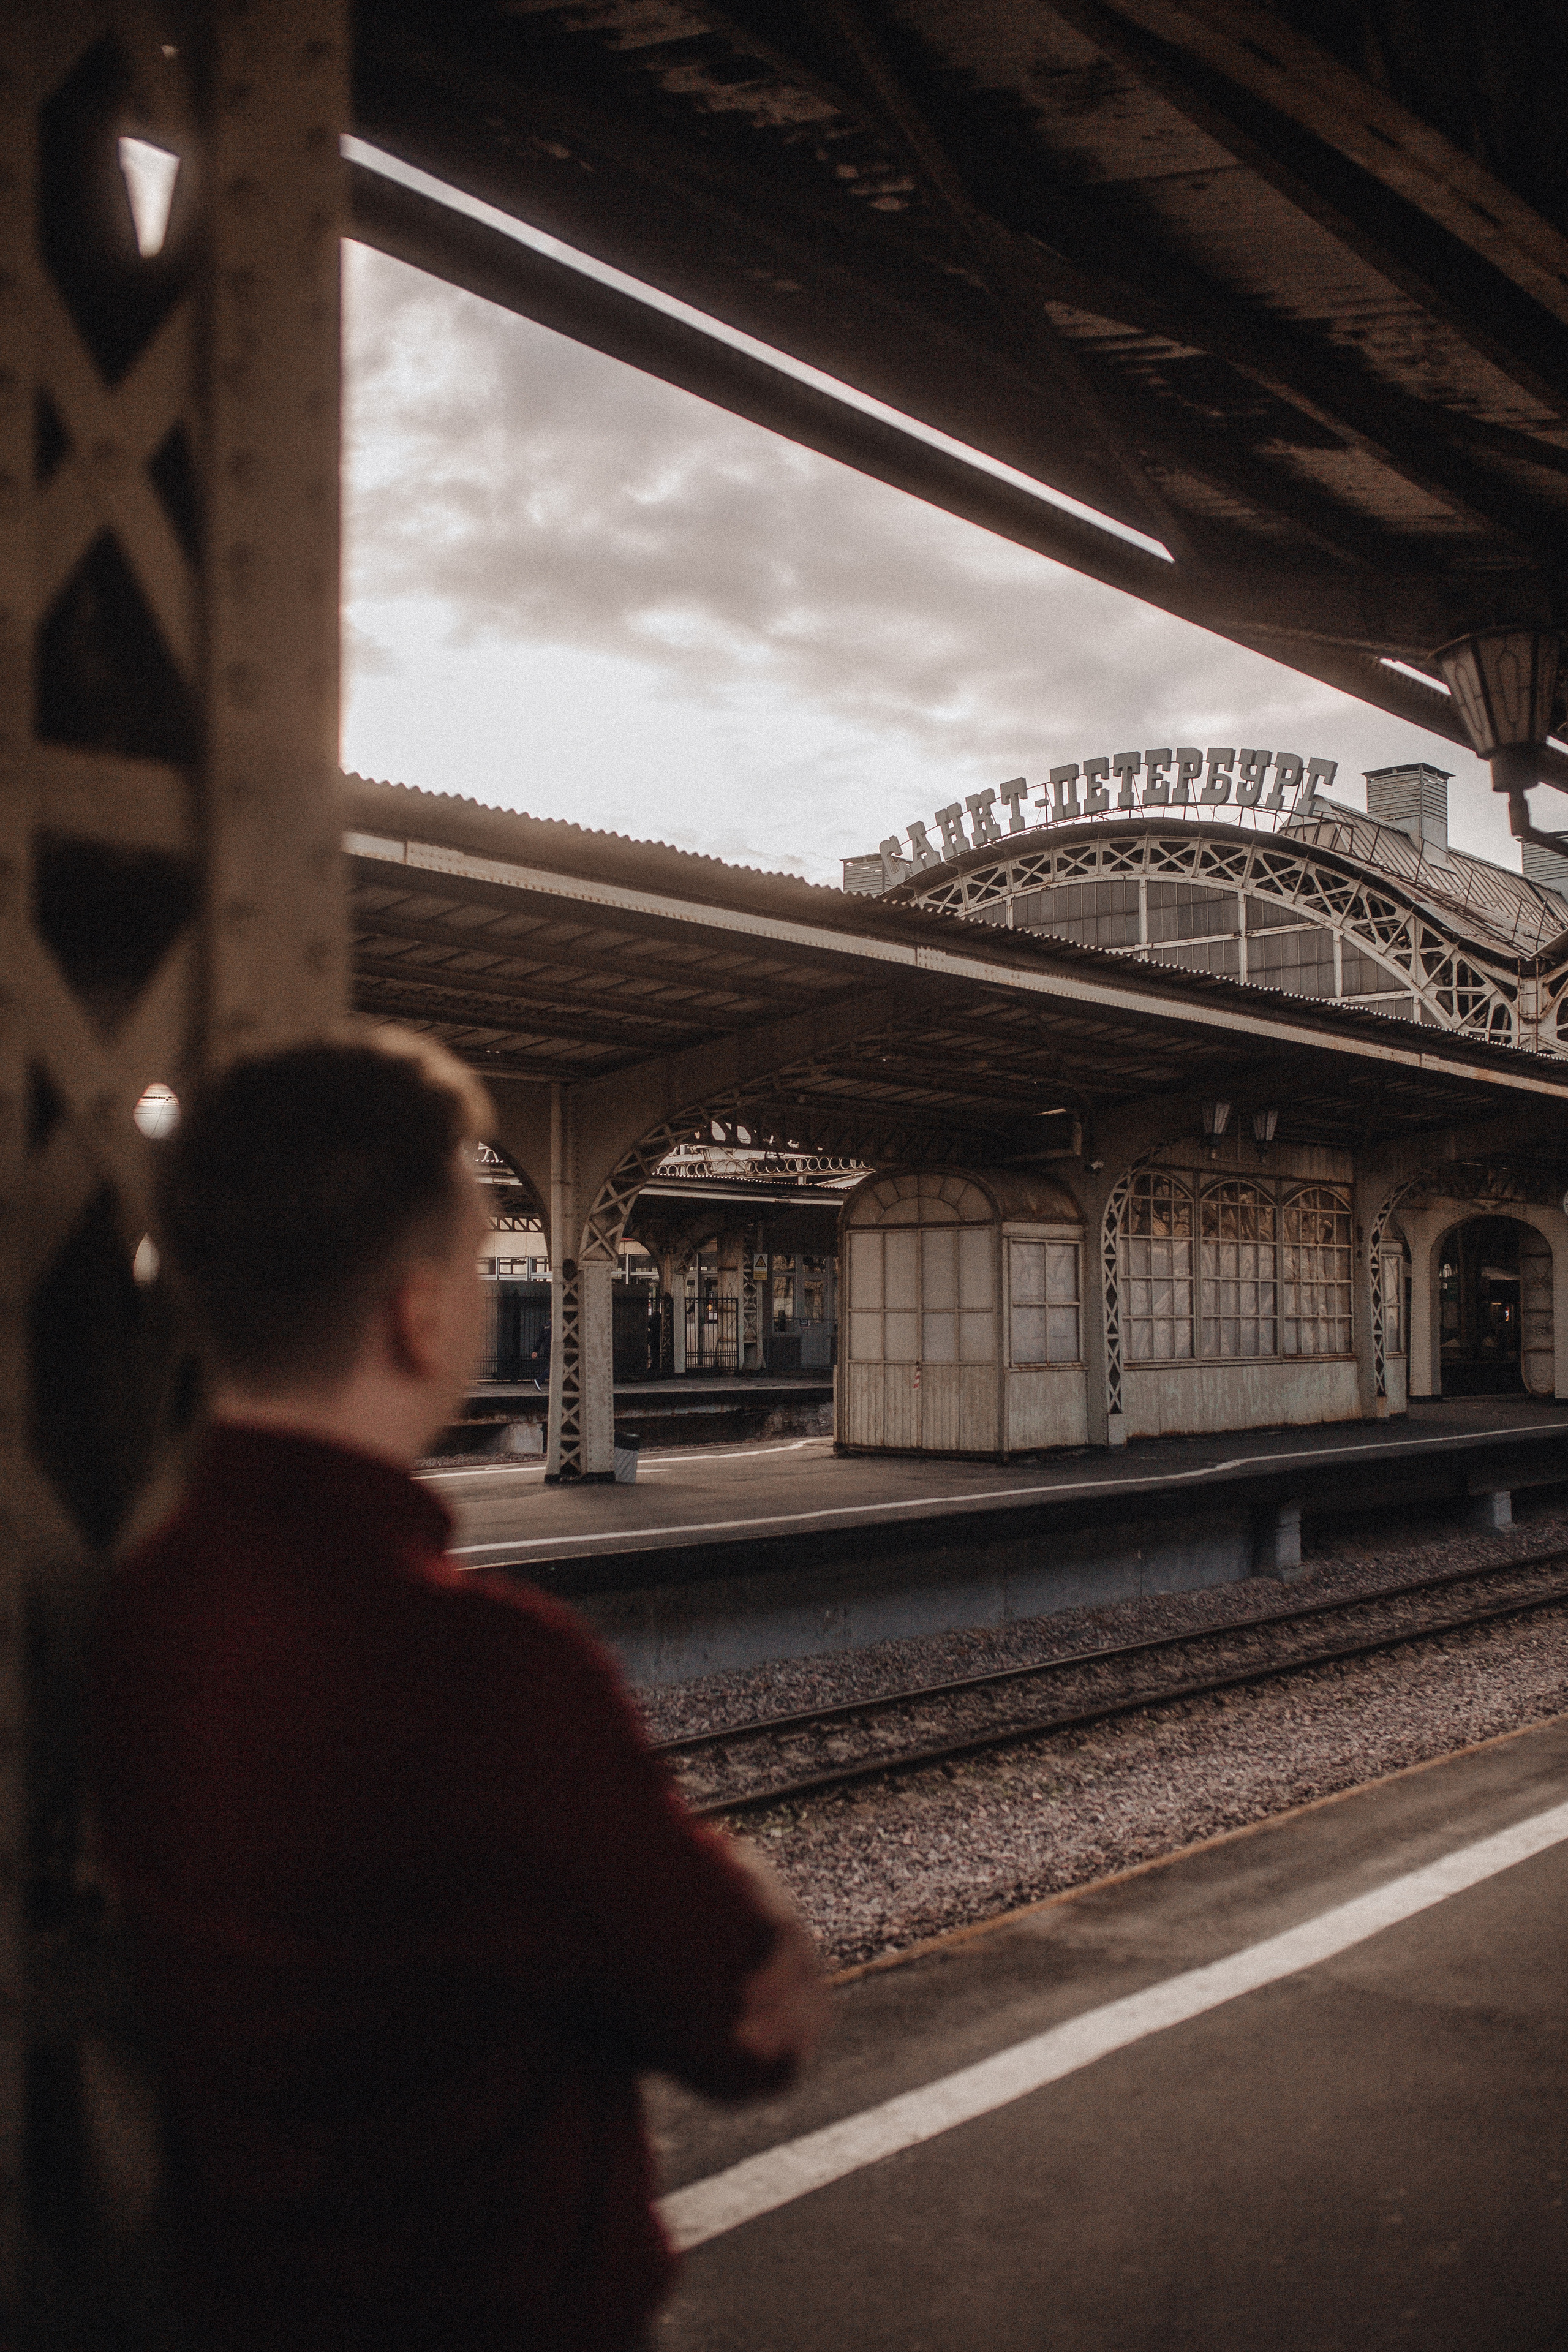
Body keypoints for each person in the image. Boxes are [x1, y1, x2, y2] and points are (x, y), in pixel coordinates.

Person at [92, 1030, 826, 2352]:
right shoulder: (493, 1675)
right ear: (418, 1314)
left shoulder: (138, 1612)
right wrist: (754, 1894)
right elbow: (743, 2027)